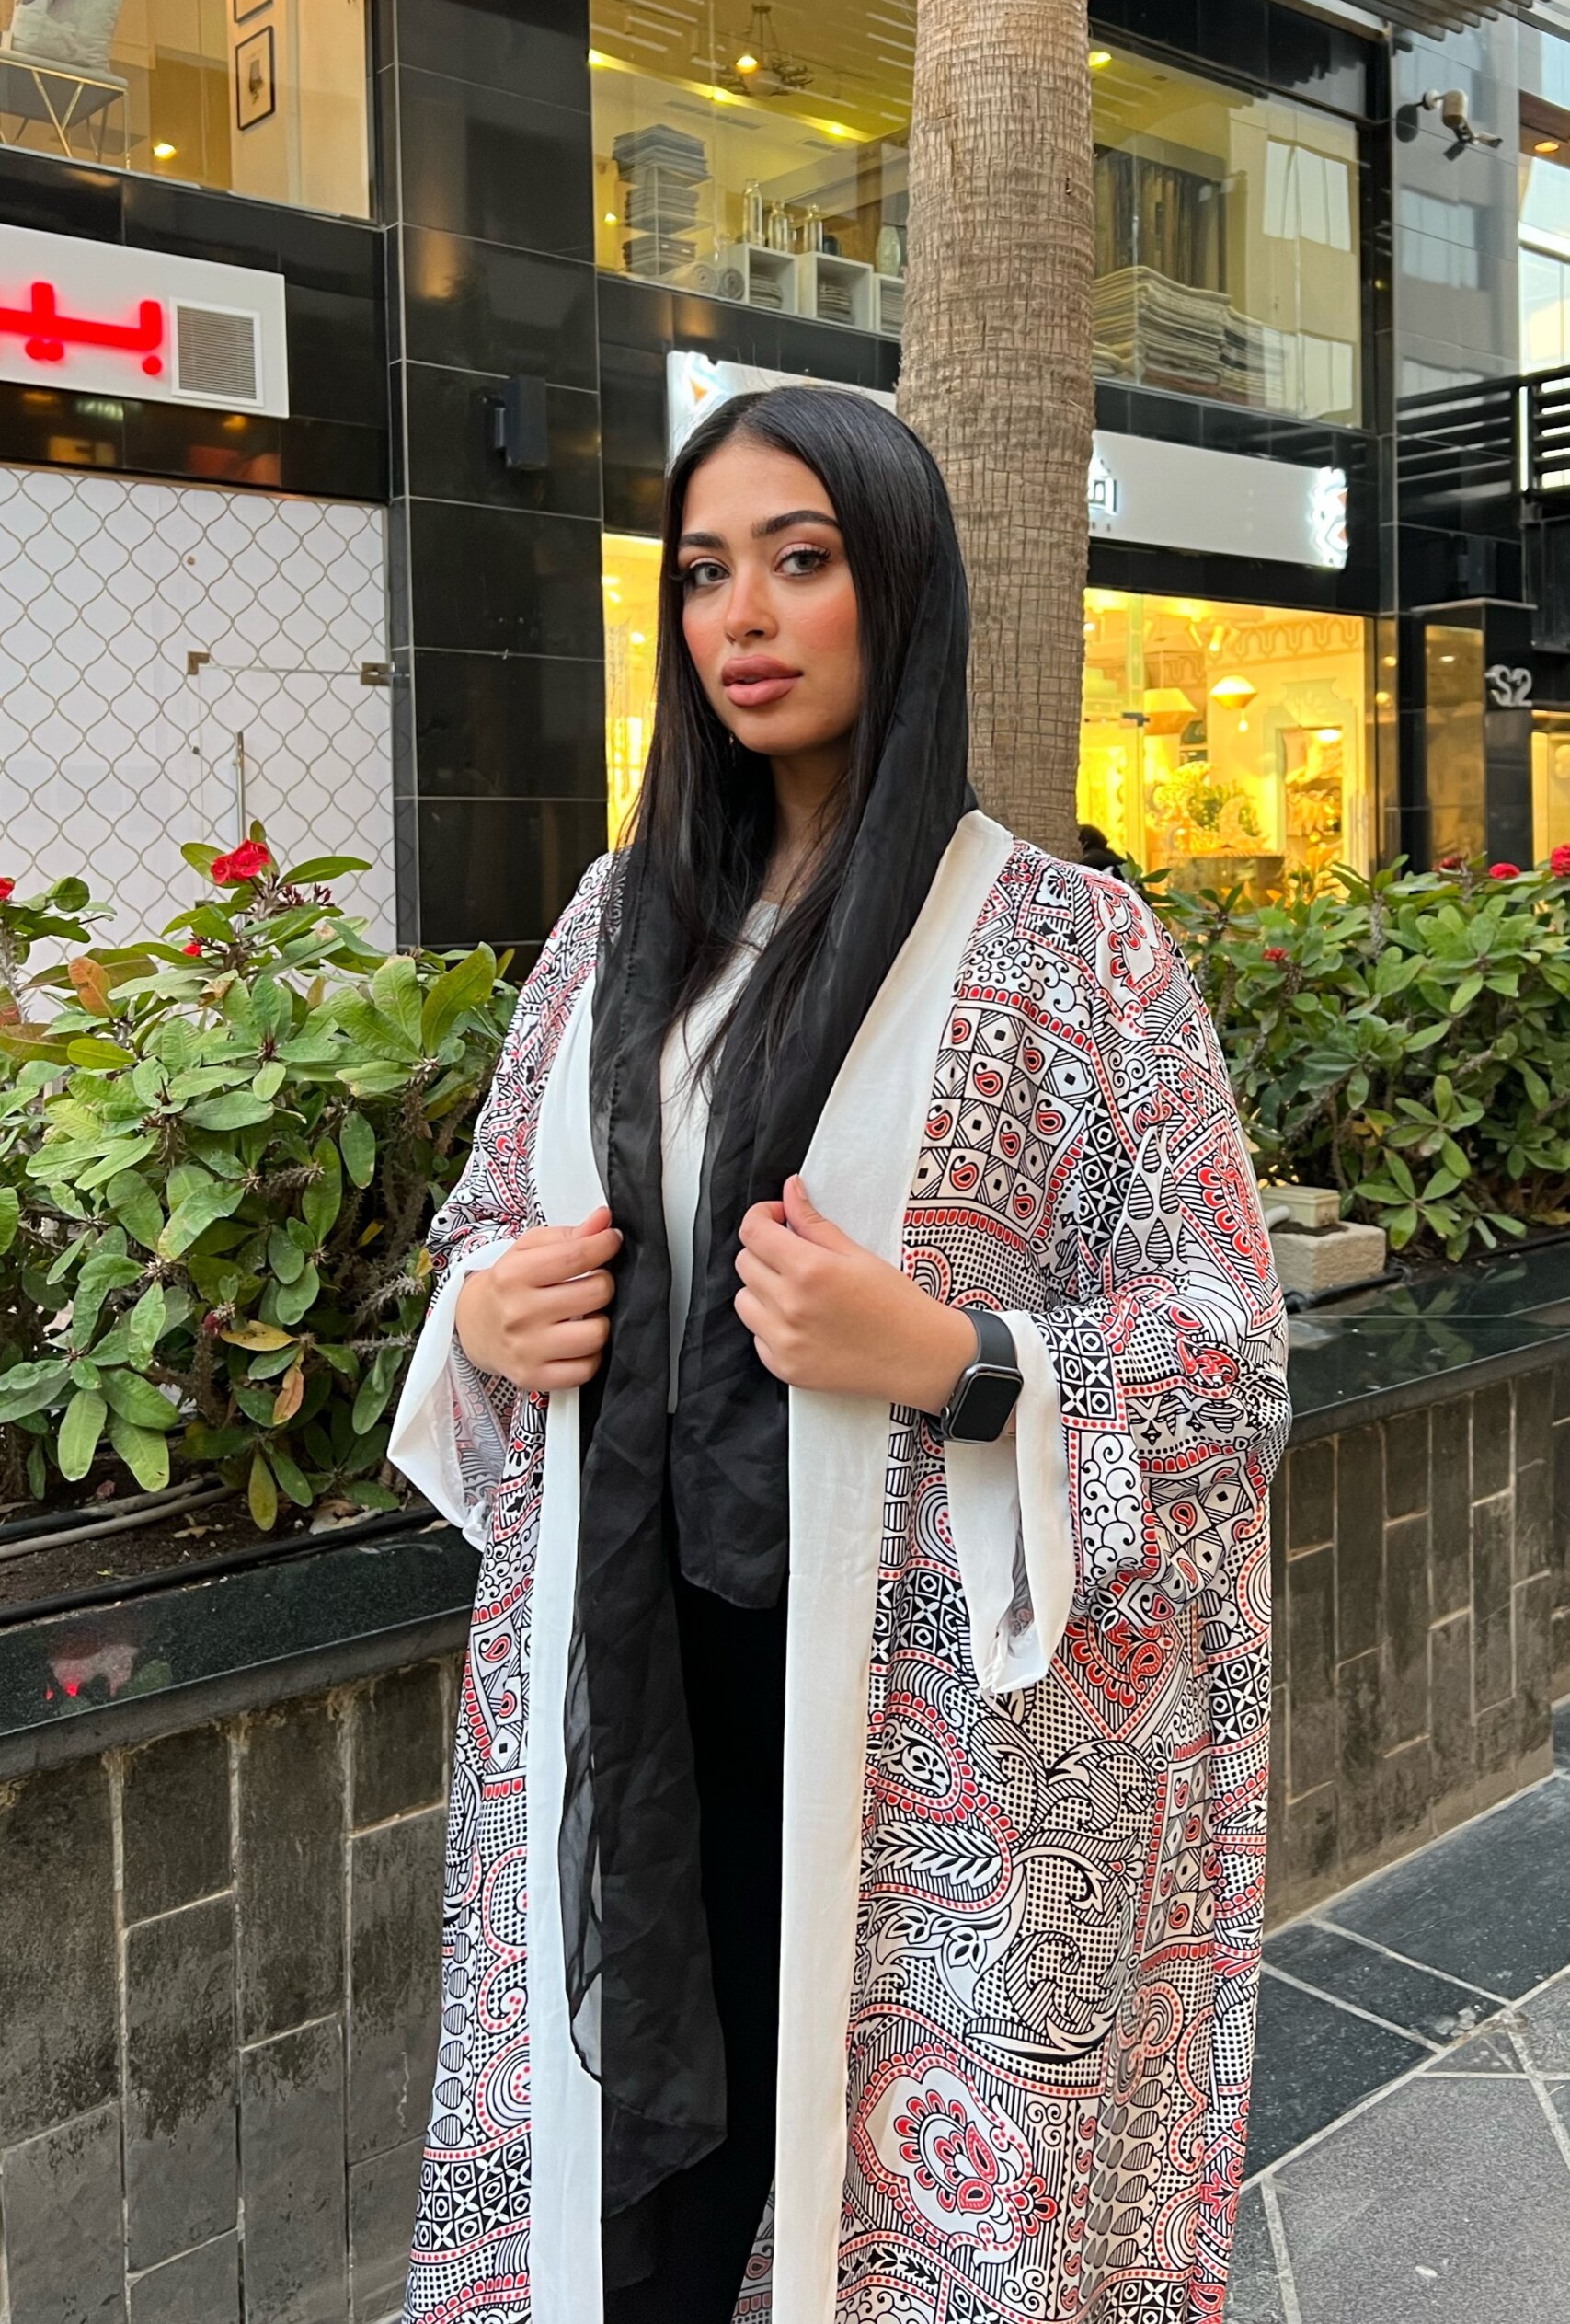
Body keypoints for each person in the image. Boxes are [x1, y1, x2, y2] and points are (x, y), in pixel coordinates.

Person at [390, 387, 1291, 2324]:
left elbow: (1227, 1348)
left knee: (869, 2224)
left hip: (914, 1740)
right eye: (704, 572)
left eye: (799, 561)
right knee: (642, 2211)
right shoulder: (613, 926)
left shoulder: (1070, 949)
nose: (742, 615)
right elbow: (485, 1218)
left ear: (898, 587)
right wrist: (480, 1311)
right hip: (627, 1697)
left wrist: (957, 1354)